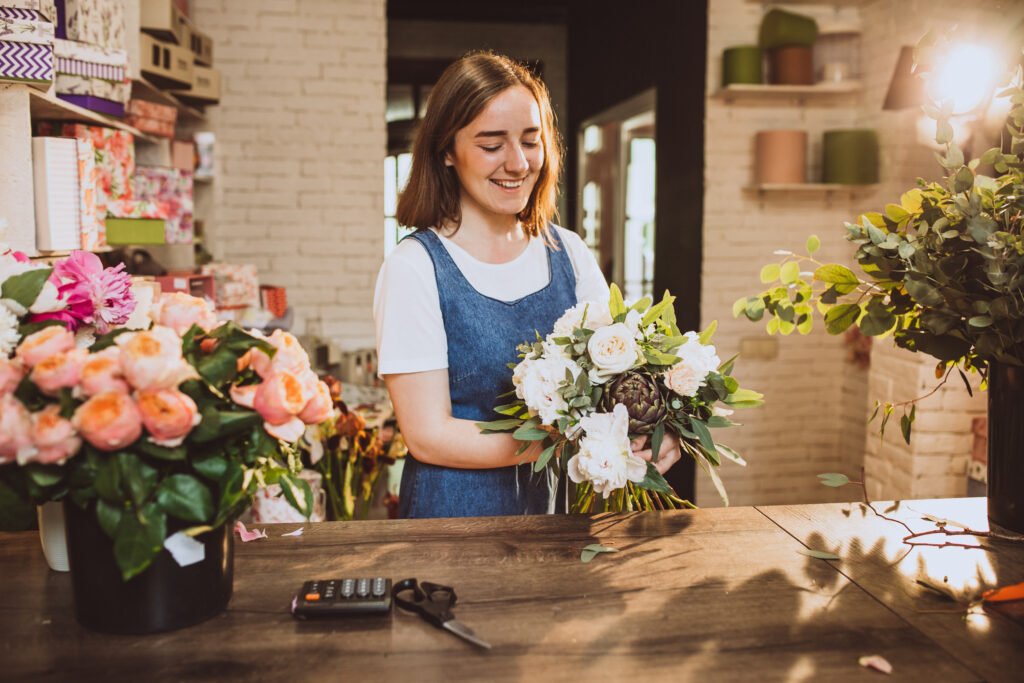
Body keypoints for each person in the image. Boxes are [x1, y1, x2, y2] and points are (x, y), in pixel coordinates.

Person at [373, 52, 680, 519]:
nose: (517, 163)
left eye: (531, 141)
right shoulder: (415, 267)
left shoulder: (569, 253)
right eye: (491, 144)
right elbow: (428, 436)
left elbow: (623, 381)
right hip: (451, 524)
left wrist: (655, 431)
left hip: (558, 519)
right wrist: (568, 440)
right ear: (446, 151)